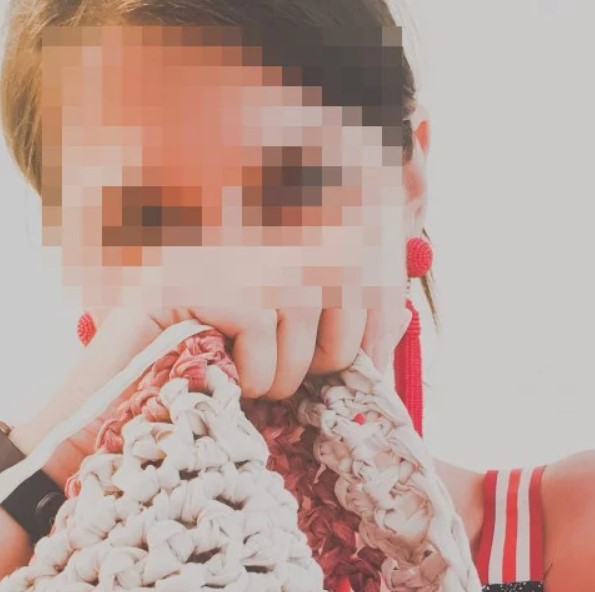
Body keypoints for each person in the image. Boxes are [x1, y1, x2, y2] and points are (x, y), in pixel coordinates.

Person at [0, 0, 594, 590]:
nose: (226, 260)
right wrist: (53, 456)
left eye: (290, 182)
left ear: (407, 181)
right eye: (143, 213)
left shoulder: (568, 528)